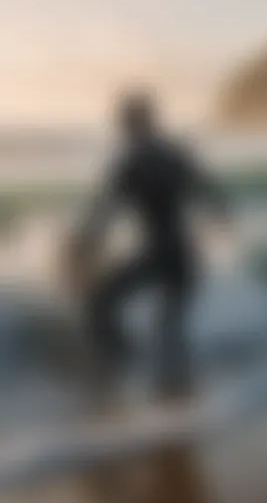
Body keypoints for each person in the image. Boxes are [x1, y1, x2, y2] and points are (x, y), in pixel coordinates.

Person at [75, 91, 230, 400]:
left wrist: (85, 244)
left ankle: (122, 365)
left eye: (124, 123)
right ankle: (178, 396)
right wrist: (215, 223)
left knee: (100, 301)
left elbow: (105, 211)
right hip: (184, 255)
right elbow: (215, 198)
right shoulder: (177, 155)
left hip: (158, 254)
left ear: (131, 124)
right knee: (170, 329)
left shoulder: (132, 163)